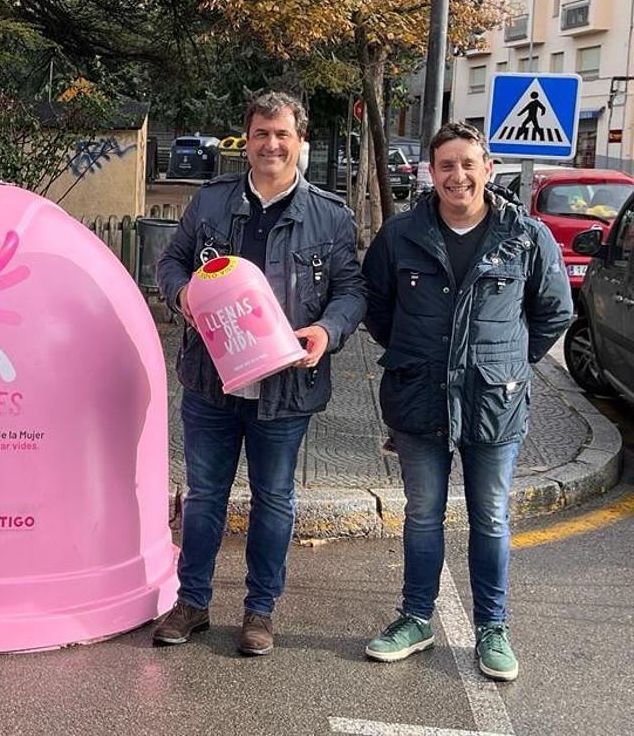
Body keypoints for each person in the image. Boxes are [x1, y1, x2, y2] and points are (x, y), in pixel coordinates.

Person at [154, 92, 366, 653]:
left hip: (285, 385)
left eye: (282, 135)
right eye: (260, 134)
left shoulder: (330, 214)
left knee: (273, 500)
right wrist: (183, 298)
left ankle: (259, 611)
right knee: (204, 497)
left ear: (301, 142)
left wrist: (328, 331)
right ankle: (192, 602)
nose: (271, 144)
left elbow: (352, 290)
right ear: (245, 141)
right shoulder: (210, 203)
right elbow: (171, 261)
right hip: (210, 380)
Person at [361, 121, 571, 682]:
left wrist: (505, 363)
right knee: (423, 516)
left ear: (487, 169)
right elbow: (377, 309)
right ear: (432, 173)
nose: (458, 176)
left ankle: (492, 628)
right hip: (418, 398)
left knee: (492, 518)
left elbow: (554, 314)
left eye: (467, 164)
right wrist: (414, 352)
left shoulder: (525, 236)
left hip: (493, 403)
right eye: (446, 166)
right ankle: (415, 618)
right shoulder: (400, 236)